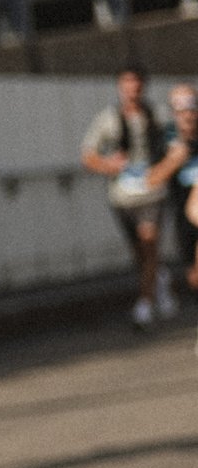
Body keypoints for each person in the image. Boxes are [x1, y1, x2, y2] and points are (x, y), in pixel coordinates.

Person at [80, 64, 185, 328]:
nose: (132, 91)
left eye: (136, 85)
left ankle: (144, 306)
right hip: (122, 196)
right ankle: (158, 281)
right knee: (140, 252)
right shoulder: (108, 119)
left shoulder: (158, 116)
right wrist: (108, 165)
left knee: (149, 243)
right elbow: (88, 155)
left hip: (152, 193)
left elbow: (177, 148)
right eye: (127, 85)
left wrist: (160, 171)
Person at [168, 83, 198, 299]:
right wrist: (174, 160)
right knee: (193, 276)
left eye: (192, 107)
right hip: (180, 212)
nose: (188, 114)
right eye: (181, 109)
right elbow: (150, 178)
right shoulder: (165, 138)